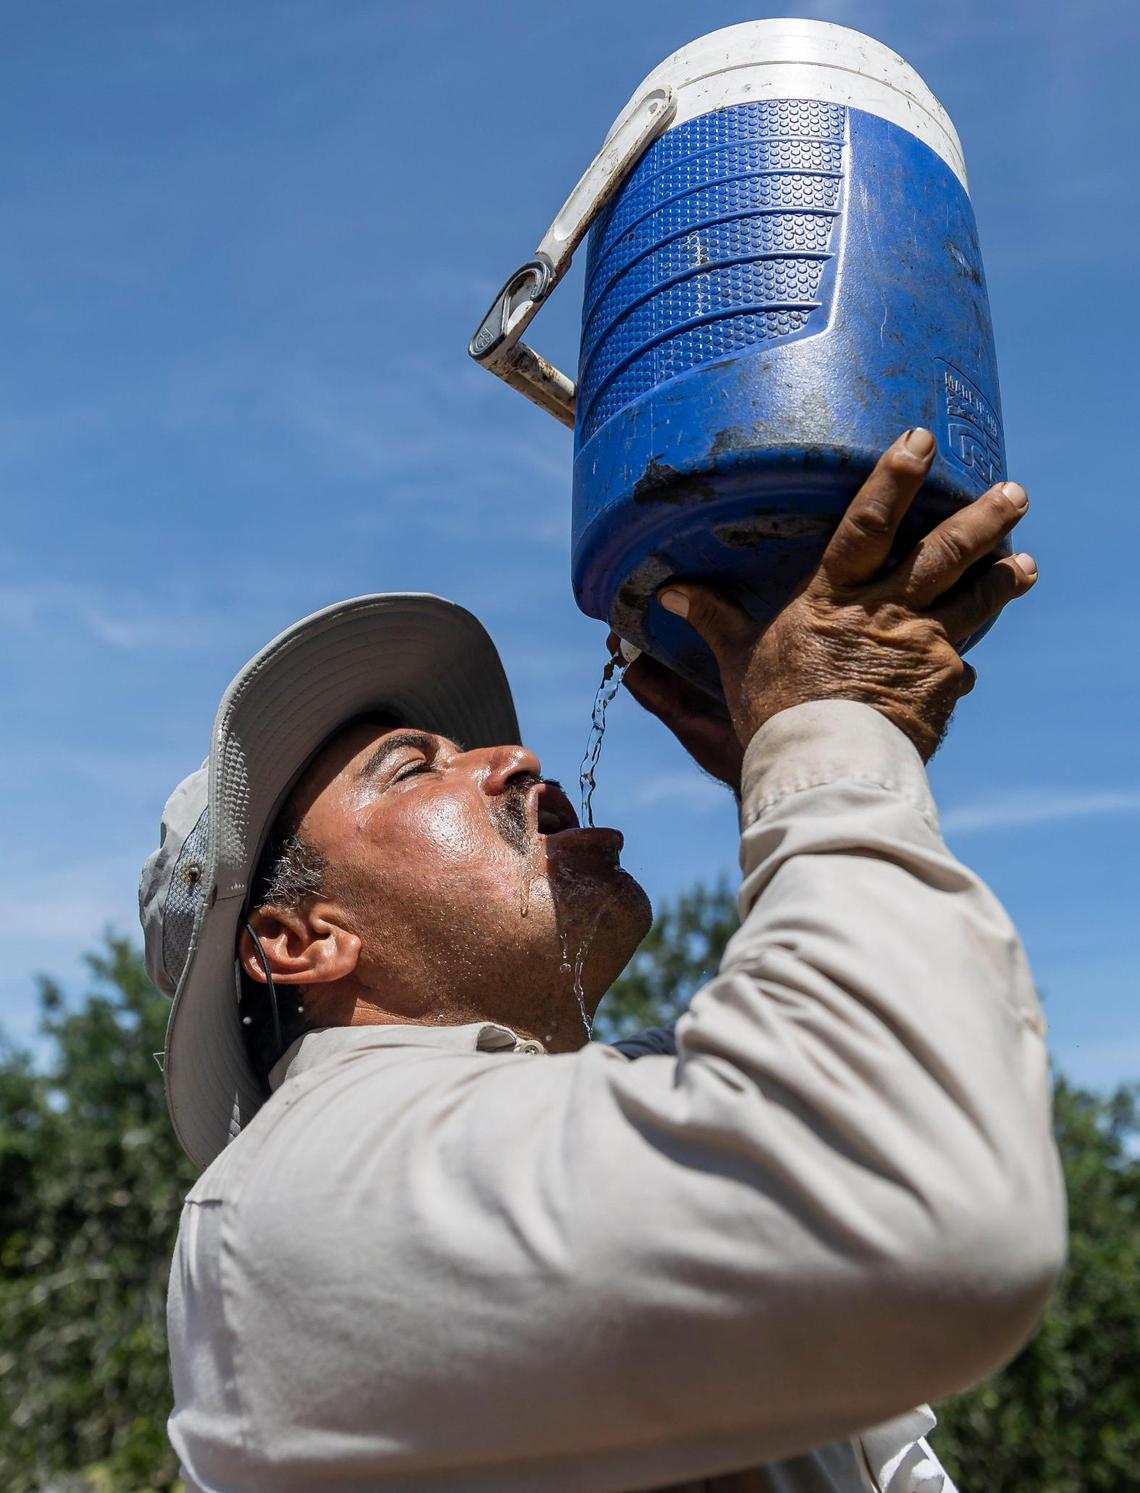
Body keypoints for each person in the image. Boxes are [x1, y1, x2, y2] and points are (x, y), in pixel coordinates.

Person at [140, 430, 1065, 1492]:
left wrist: (784, 742)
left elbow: (886, 1075)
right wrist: (830, 738)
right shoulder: (293, 1201)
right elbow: (922, 1203)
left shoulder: (616, 1109)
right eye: (412, 768)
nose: (517, 755)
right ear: (303, 941)